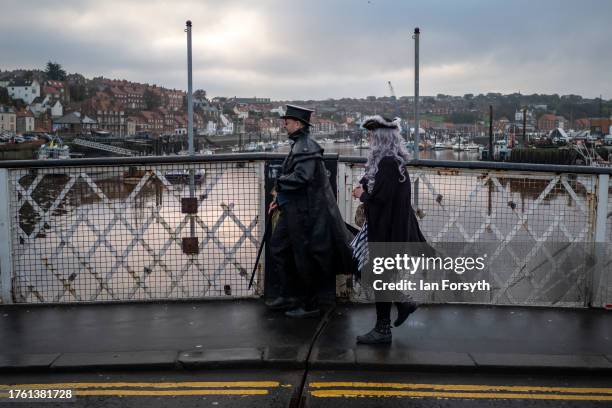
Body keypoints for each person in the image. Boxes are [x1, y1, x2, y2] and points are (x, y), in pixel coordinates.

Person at [266, 105, 354, 318]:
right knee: (279, 248)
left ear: (298, 124)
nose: (284, 124)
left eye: (287, 121)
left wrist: (279, 181)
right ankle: (289, 295)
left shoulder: (306, 147)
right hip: (293, 210)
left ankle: (309, 304)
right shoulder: (300, 145)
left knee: (304, 257)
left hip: (305, 214)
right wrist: (279, 199)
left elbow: (302, 178)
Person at [351, 115, 425, 344]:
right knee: (370, 270)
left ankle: (383, 329)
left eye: (373, 135)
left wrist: (362, 195)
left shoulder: (389, 164)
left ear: (382, 139)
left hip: (388, 230)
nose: (370, 139)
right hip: (390, 227)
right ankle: (403, 303)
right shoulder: (389, 161)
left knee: (378, 275)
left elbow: (381, 200)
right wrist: (364, 184)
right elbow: (373, 179)